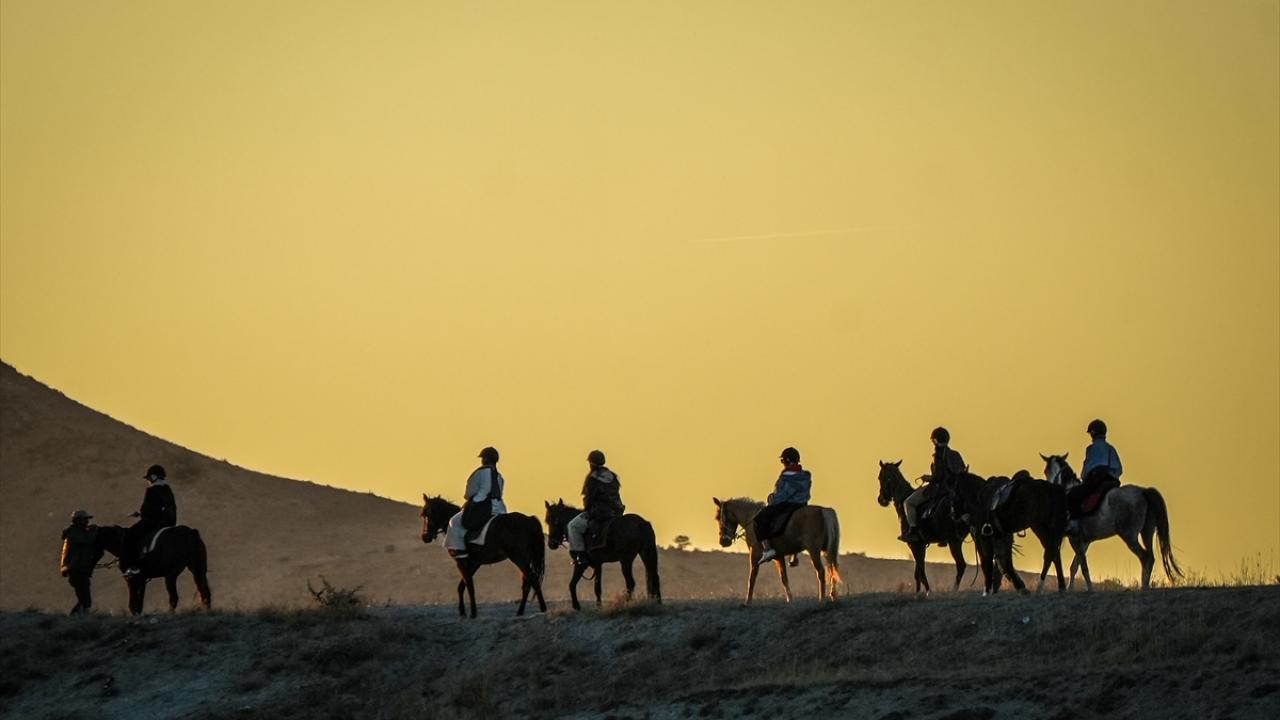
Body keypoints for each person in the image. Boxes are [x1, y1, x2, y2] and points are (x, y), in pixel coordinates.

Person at [901, 427, 966, 542]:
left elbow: (939, 477)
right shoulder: (956, 454)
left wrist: (928, 478)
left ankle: (913, 530)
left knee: (908, 503)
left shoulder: (938, 455)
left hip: (939, 489)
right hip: (956, 490)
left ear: (935, 441)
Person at [444, 447, 507, 559]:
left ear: (486, 459)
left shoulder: (480, 473)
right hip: (500, 508)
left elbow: (470, 493)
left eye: (483, 458)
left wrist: (473, 500)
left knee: (454, 521)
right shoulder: (500, 476)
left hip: (483, 506)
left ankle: (460, 550)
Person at [566, 450, 624, 566]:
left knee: (573, 526)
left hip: (599, 512)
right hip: (616, 511)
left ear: (591, 463)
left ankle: (580, 556)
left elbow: (589, 498)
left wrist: (586, 509)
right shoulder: (613, 476)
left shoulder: (592, 478)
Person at [755, 447, 811, 564]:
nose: (782, 464)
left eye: (782, 461)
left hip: (787, 505)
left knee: (760, 518)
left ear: (787, 461)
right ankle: (794, 556)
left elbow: (781, 496)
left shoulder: (785, 477)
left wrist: (771, 499)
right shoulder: (805, 476)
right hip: (802, 505)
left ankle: (768, 549)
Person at [1068, 419, 1123, 533]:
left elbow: (1086, 470)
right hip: (1112, 482)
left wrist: (1084, 478)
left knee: (1073, 495)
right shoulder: (1110, 448)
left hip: (1095, 481)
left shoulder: (1091, 449)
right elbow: (1119, 469)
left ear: (1093, 433)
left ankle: (1075, 524)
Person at [121, 464, 177, 577]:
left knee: (129, 536)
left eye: (149, 478)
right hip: (170, 522)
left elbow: (147, 510)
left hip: (153, 522)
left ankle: (133, 567)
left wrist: (140, 513)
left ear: (154, 477)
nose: (148, 480)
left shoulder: (152, 490)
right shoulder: (167, 489)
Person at [59, 510, 100, 614]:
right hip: (76, 570)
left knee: (84, 599)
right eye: (85, 519)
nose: (87, 521)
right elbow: (87, 540)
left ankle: (77, 617)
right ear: (78, 520)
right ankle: (75, 617)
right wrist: (94, 531)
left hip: (78, 570)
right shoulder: (74, 532)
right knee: (85, 600)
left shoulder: (76, 532)